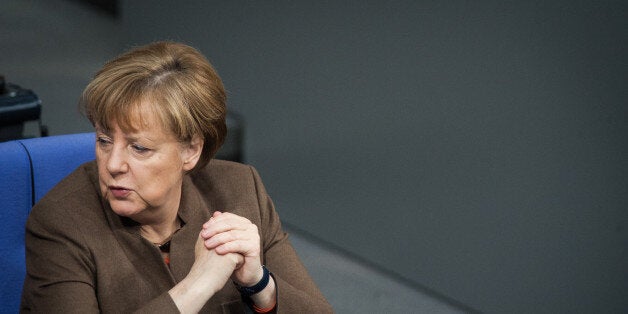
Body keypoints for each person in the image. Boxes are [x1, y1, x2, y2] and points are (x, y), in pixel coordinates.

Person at [20, 41, 333, 313]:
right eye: (104, 140)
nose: (113, 164)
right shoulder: (59, 224)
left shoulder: (240, 190)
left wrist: (259, 283)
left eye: (139, 148)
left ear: (191, 151)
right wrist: (198, 284)